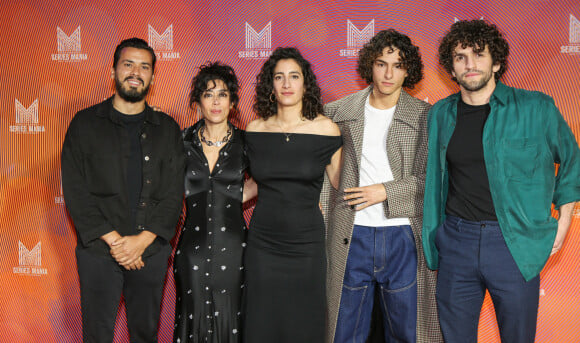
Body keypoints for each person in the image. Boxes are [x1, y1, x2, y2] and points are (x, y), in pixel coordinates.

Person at [422, 19, 580, 343]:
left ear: (496, 63)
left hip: (514, 244)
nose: (470, 64)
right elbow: (435, 180)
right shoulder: (441, 113)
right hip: (456, 241)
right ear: (450, 69)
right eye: (460, 57)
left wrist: (563, 222)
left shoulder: (536, 107)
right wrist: (438, 237)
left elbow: (573, 159)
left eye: (479, 55)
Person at [321, 29, 442, 343]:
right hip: (351, 233)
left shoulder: (425, 116)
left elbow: (435, 181)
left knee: (406, 333)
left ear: (408, 70)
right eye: (381, 63)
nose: (389, 73)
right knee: (344, 332)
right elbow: (323, 182)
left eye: (398, 65)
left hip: (402, 235)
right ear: (369, 66)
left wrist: (385, 190)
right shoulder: (337, 113)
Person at [61, 37, 184, 342]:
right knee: (97, 334)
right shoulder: (84, 124)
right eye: (128, 64)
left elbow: (173, 194)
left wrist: (142, 241)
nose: (135, 72)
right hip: (99, 250)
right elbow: (76, 191)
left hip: (150, 251)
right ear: (112, 71)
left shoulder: (167, 129)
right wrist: (118, 243)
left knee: (145, 334)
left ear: (153, 77)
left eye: (144, 67)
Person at [243, 47, 342, 342]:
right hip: (263, 245)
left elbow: (340, 185)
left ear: (305, 83)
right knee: (262, 323)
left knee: (305, 325)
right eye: (279, 77)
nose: (287, 84)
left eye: (294, 76)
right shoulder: (256, 129)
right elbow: (254, 185)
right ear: (270, 86)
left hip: (307, 246)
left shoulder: (326, 129)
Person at [173, 62, 256, 342]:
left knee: (232, 319)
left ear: (233, 102)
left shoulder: (246, 143)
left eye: (223, 94)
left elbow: (268, 177)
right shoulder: (180, 141)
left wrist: (236, 195)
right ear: (198, 101)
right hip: (191, 250)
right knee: (192, 317)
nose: (216, 101)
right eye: (208, 94)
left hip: (235, 250)